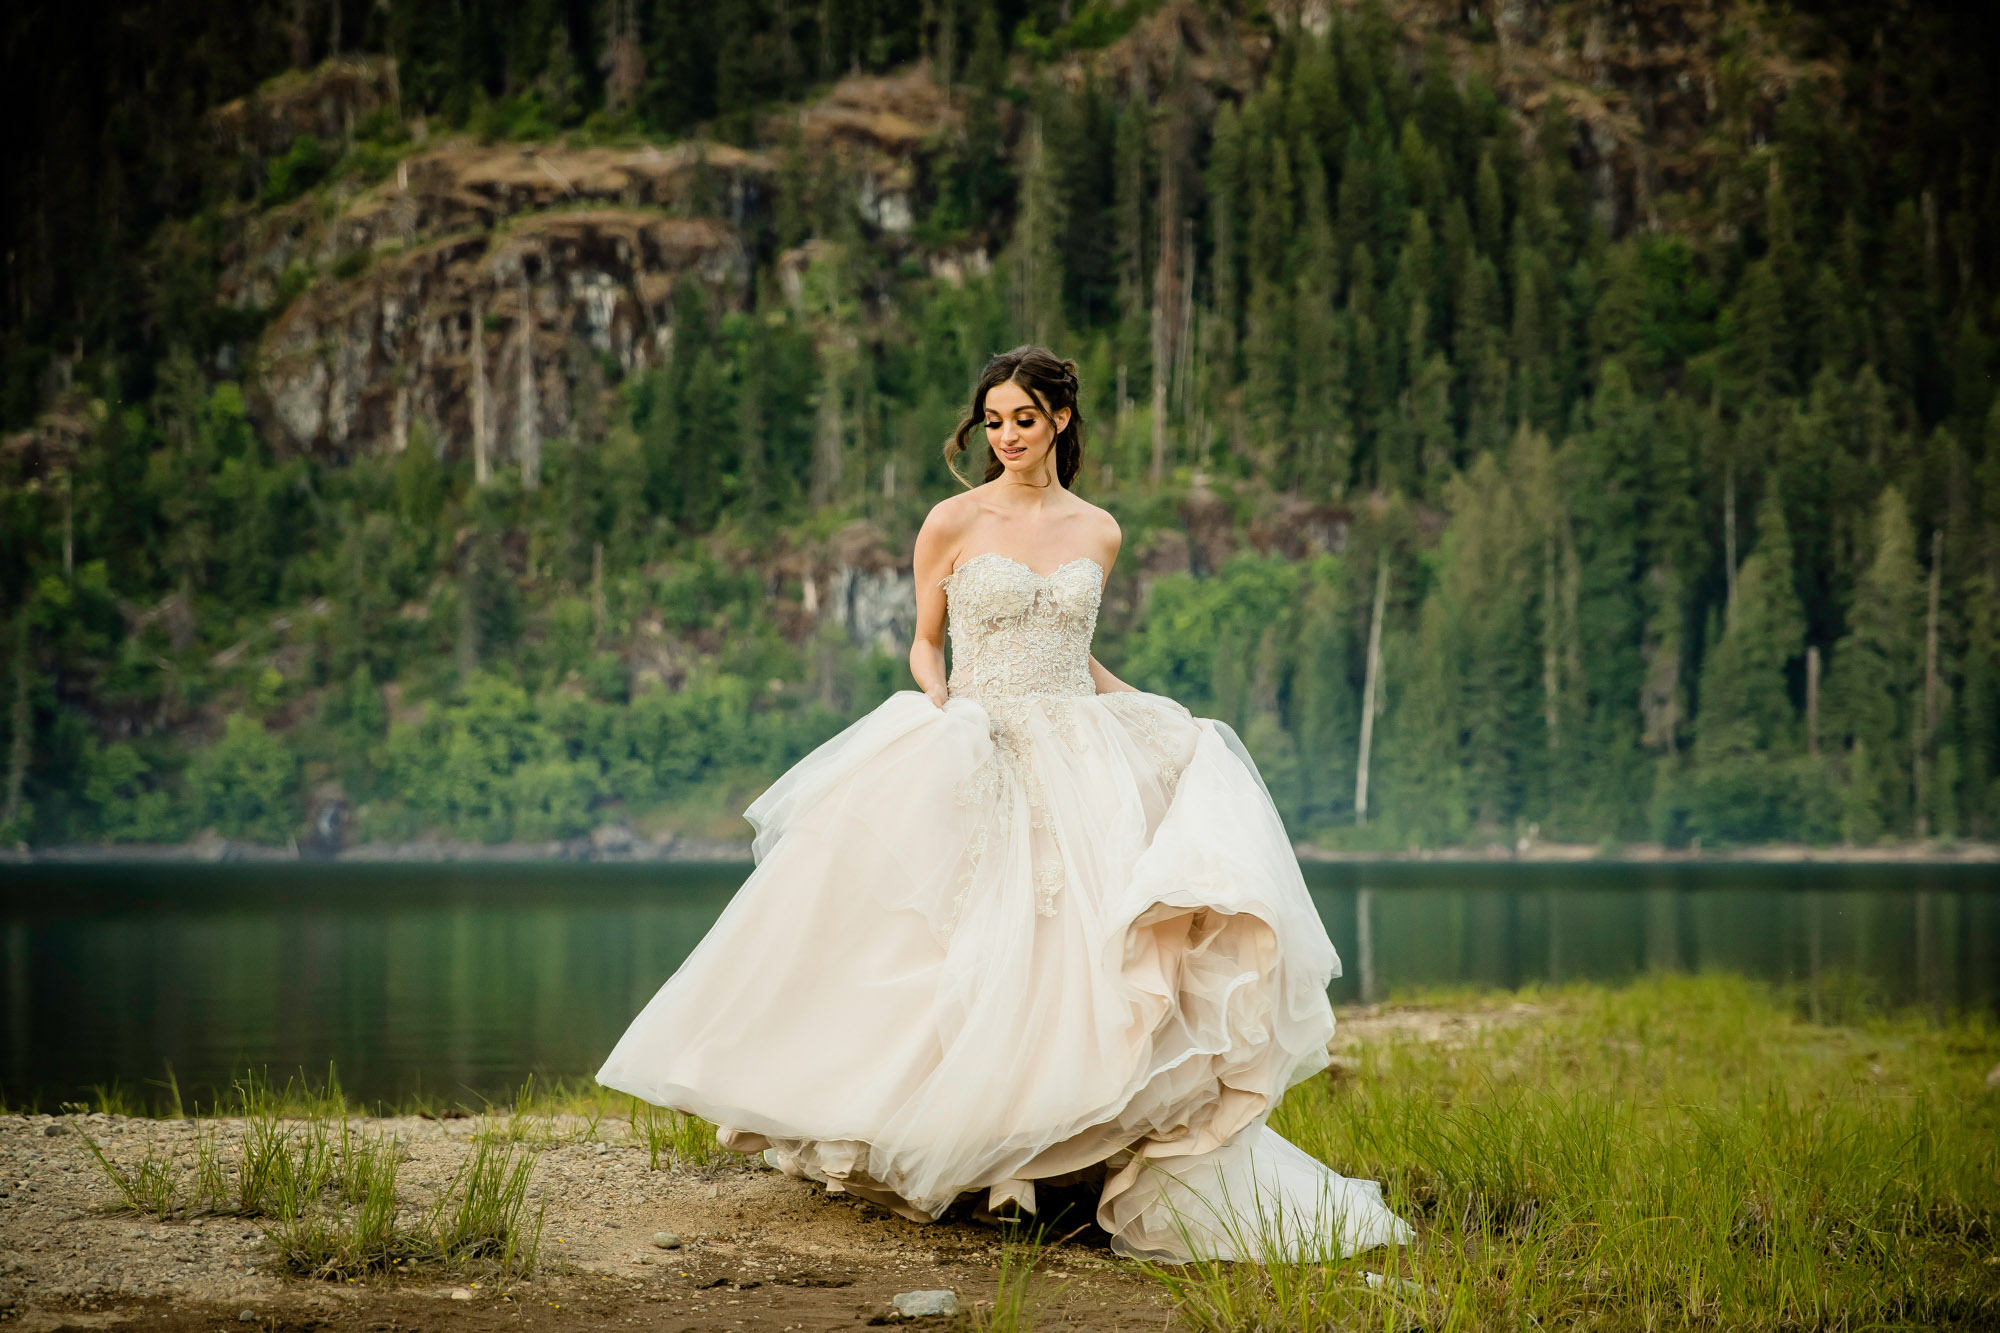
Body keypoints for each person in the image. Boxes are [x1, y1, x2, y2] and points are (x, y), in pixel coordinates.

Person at [597, 345, 1411, 1262]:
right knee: (964, 943)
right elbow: (923, 642)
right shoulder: (951, 520)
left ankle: (1064, 1159)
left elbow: (1078, 655)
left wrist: (1152, 712)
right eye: (992, 421)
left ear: (1060, 420)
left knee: (1087, 955)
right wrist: (942, 709)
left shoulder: (1099, 529)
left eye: (1023, 418)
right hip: (977, 735)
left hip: (1076, 746)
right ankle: (959, 1153)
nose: (1007, 436)